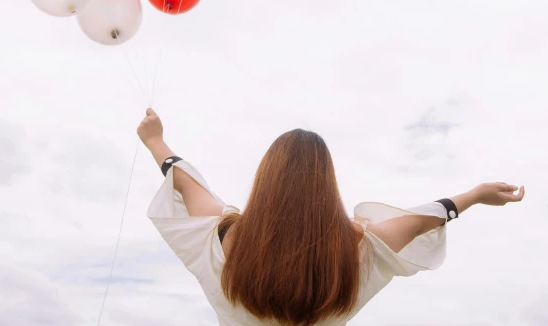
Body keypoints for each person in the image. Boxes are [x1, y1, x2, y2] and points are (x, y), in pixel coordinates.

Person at [139, 108, 524, 326]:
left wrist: (156, 141)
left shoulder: (226, 240)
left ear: (265, 179)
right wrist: (473, 196)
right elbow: (425, 217)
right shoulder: (355, 251)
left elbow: (188, 185)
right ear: (327, 185)